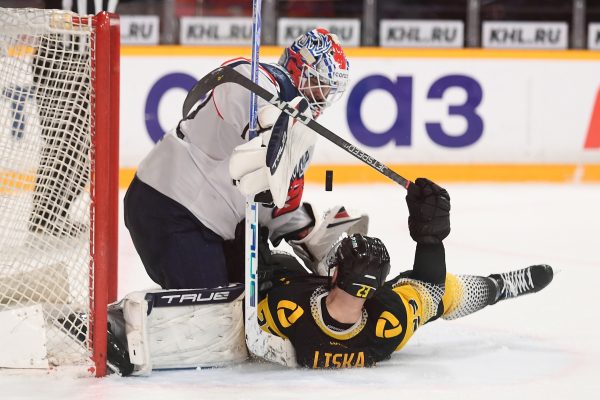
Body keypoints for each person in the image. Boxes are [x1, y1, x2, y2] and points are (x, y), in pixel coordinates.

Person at [124, 28, 356, 290]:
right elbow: (236, 88)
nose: (321, 97)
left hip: (215, 226)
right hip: (169, 205)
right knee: (208, 317)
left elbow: (273, 204)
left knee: (257, 298)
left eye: (327, 90)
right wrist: (271, 127)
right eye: (318, 84)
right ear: (297, 68)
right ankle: (119, 326)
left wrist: (309, 232)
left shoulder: (302, 137)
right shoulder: (255, 78)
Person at [256, 178, 554, 368]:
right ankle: (497, 287)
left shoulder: (287, 305)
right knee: (444, 295)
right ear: (379, 288)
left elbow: (248, 307)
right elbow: (431, 288)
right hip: (343, 309)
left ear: (332, 274)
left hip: (288, 276)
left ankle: (306, 233)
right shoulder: (388, 322)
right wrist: (431, 240)